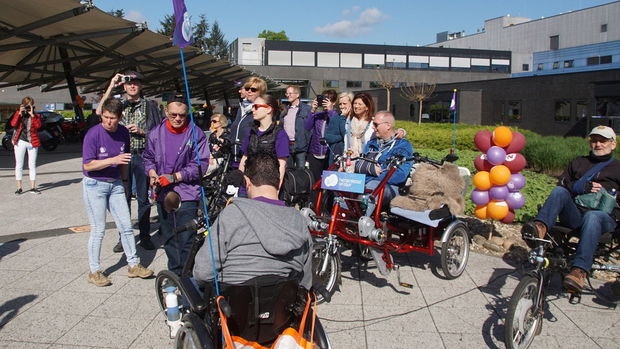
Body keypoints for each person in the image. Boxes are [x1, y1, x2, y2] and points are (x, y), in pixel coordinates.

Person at [193, 151, 313, 289]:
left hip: (234, 302)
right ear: (279, 180)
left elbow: (202, 273)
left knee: (190, 284)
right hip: (282, 303)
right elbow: (306, 280)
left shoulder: (231, 214)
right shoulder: (298, 220)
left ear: (247, 182)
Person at [521, 125, 620, 293]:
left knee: (594, 217)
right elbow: (562, 184)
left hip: (604, 218)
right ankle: (540, 228)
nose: (598, 144)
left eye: (602, 141)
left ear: (613, 144)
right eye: (594, 140)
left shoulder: (617, 167)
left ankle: (578, 271)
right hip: (576, 215)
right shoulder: (579, 162)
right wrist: (581, 187)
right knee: (560, 192)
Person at [82, 98, 154, 287]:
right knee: (98, 229)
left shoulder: (123, 132)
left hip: (115, 184)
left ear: (120, 117)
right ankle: (94, 271)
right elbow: (88, 164)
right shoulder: (93, 134)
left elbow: (125, 160)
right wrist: (112, 160)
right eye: (105, 117)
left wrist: (123, 183)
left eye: (113, 118)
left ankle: (133, 265)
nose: (108, 121)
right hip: (94, 184)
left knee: (126, 226)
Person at [143, 97, 209, 276]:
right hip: (164, 194)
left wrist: (175, 177)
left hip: (187, 192)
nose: (178, 119)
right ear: (166, 112)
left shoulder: (196, 134)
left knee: (186, 239)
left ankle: (188, 276)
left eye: (182, 115)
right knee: (170, 237)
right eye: (174, 115)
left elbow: (201, 164)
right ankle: (175, 275)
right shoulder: (155, 133)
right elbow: (148, 158)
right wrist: (151, 173)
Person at [98, 71, 163, 252]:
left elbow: (159, 133)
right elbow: (99, 111)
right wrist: (111, 85)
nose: (132, 86)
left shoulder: (150, 106)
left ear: (141, 86)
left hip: (142, 155)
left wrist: (143, 132)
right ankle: (124, 236)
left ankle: (144, 235)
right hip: (122, 157)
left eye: (136, 83)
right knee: (122, 198)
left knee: (143, 199)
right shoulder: (118, 105)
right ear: (124, 86)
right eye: (129, 83)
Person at [358, 110, 414, 215]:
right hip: (369, 181)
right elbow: (359, 164)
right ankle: (341, 221)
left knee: (372, 186)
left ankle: (364, 223)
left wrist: (371, 176)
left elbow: (400, 175)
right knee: (342, 184)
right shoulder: (371, 144)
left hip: (392, 187)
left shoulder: (403, 146)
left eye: (375, 124)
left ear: (388, 125)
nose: (372, 127)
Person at [238, 95, 289, 185]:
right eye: (253, 106)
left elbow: (281, 164)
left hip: (268, 185)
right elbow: (244, 158)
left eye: (256, 107)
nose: (253, 110)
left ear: (268, 109)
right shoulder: (251, 131)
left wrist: (276, 190)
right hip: (248, 184)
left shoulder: (280, 134)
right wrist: (239, 182)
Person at [228, 77, 268, 169]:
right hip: (233, 159)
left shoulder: (261, 112)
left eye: (253, 89)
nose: (249, 91)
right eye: (247, 89)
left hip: (250, 162)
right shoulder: (241, 108)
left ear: (260, 93)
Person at [305, 89, 338, 182]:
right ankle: (315, 197)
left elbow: (335, 126)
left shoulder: (337, 116)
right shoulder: (318, 115)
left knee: (329, 182)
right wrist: (312, 110)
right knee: (315, 181)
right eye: (323, 100)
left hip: (329, 153)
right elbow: (307, 127)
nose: (324, 103)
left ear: (334, 102)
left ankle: (328, 197)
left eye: (328, 100)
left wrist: (330, 110)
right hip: (315, 152)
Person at [11, 96, 42, 194]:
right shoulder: (19, 114)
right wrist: (19, 113)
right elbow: (13, 124)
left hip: (33, 142)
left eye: (30, 105)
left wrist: (32, 114)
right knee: (19, 165)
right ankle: (19, 188)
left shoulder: (35, 116)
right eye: (26, 105)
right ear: (23, 105)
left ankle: (33, 187)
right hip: (20, 142)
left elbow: (38, 126)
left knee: (32, 165)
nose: (28, 107)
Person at [282, 85, 312, 169]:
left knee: (301, 172)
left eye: (290, 93)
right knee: (288, 172)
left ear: (297, 94)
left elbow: (310, 129)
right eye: (287, 93)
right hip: (287, 146)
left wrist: (307, 144)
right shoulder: (285, 110)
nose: (288, 95)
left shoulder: (307, 109)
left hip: (300, 146)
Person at [323, 92, 350, 165]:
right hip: (336, 154)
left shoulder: (353, 119)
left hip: (349, 155)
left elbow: (347, 136)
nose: (342, 106)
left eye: (344, 104)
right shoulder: (336, 117)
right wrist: (341, 137)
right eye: (340, 104)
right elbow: (328, 137)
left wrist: (343, 118)